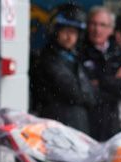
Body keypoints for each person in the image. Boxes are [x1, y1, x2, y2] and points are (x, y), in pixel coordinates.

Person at [31, 4, 97, 134]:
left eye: (74, 32)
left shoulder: (74, 58)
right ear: (56, 31)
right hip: (58, 129)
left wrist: (87, 94)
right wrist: (86, 94)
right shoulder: (47, 59)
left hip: (77, 129)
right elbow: (74, 93)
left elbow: (91, 98)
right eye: (65, 31)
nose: (69, 36)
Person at [81, 6, 121, 140]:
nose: (97, 29)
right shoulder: (79, 52)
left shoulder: (119, 53)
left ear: (111, 29)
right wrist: (114, 80)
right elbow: (85, 92)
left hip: (114, 126)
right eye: (93, 24)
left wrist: (101, 82)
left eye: (102, 25)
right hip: (87, 126)